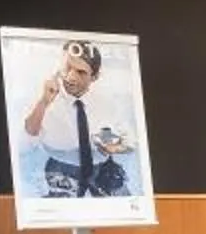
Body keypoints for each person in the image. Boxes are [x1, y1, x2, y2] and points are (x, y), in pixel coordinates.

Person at [21, 39, 138, 198]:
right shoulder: (45, 95)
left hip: (101, 167)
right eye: (67, 67)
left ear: (95, 76)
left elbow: (131, 142)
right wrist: (44, 102)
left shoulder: (107, 103)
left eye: (81, 72)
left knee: (128, 206)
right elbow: (28, 136)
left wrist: (117, 148)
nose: (71, 77)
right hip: (61, 169)